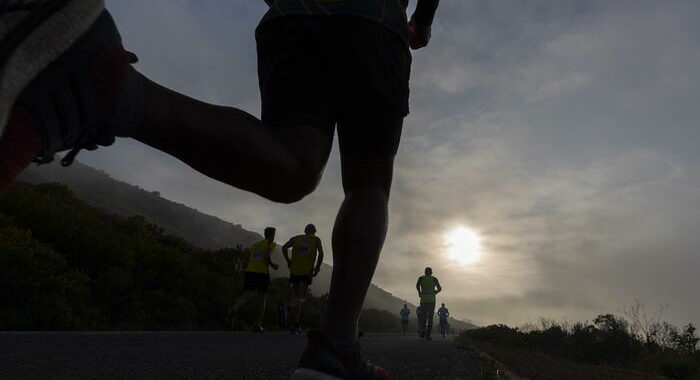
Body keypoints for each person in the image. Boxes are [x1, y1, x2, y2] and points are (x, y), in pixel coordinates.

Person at [1, 1, 440, 378]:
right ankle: (338, 346)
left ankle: (113, 92)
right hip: (374, 23)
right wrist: (422, 19)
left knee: (294, 166)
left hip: (292, 20)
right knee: (368, 184)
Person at [229, 227, 279, 332]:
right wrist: (273, 265)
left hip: (250, 272)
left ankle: (234, 308)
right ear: (272, 235)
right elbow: (266, 255)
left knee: (245, 296)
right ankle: (257, 325)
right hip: (262, 274)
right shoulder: (271, 244)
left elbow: (249, 256)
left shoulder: (256, 245)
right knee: (262, 300)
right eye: (274, 235)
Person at [282, 223, 324, 334]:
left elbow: (284, 247)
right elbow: (321, 253)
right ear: (314, 231)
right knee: (300, 297)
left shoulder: (296, 238)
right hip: (306, 272)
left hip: (294, 271)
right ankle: (287, 307)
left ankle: (295, 325)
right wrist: (318, 267)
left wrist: (288, 261)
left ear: (305, 231)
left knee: (297, 297)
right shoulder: (316, 240)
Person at [416, 267, 441, 340]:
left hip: (423, 299)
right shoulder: (434, 279)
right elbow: (439, 288)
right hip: (431, 300)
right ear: (431, 272)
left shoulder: (421, 278)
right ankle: (428, 335)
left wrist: (419, 292)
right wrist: (435, 292)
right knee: (430, 318)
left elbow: (417, 285)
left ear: (425, 272)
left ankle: (423, 332)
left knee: (423, 317)